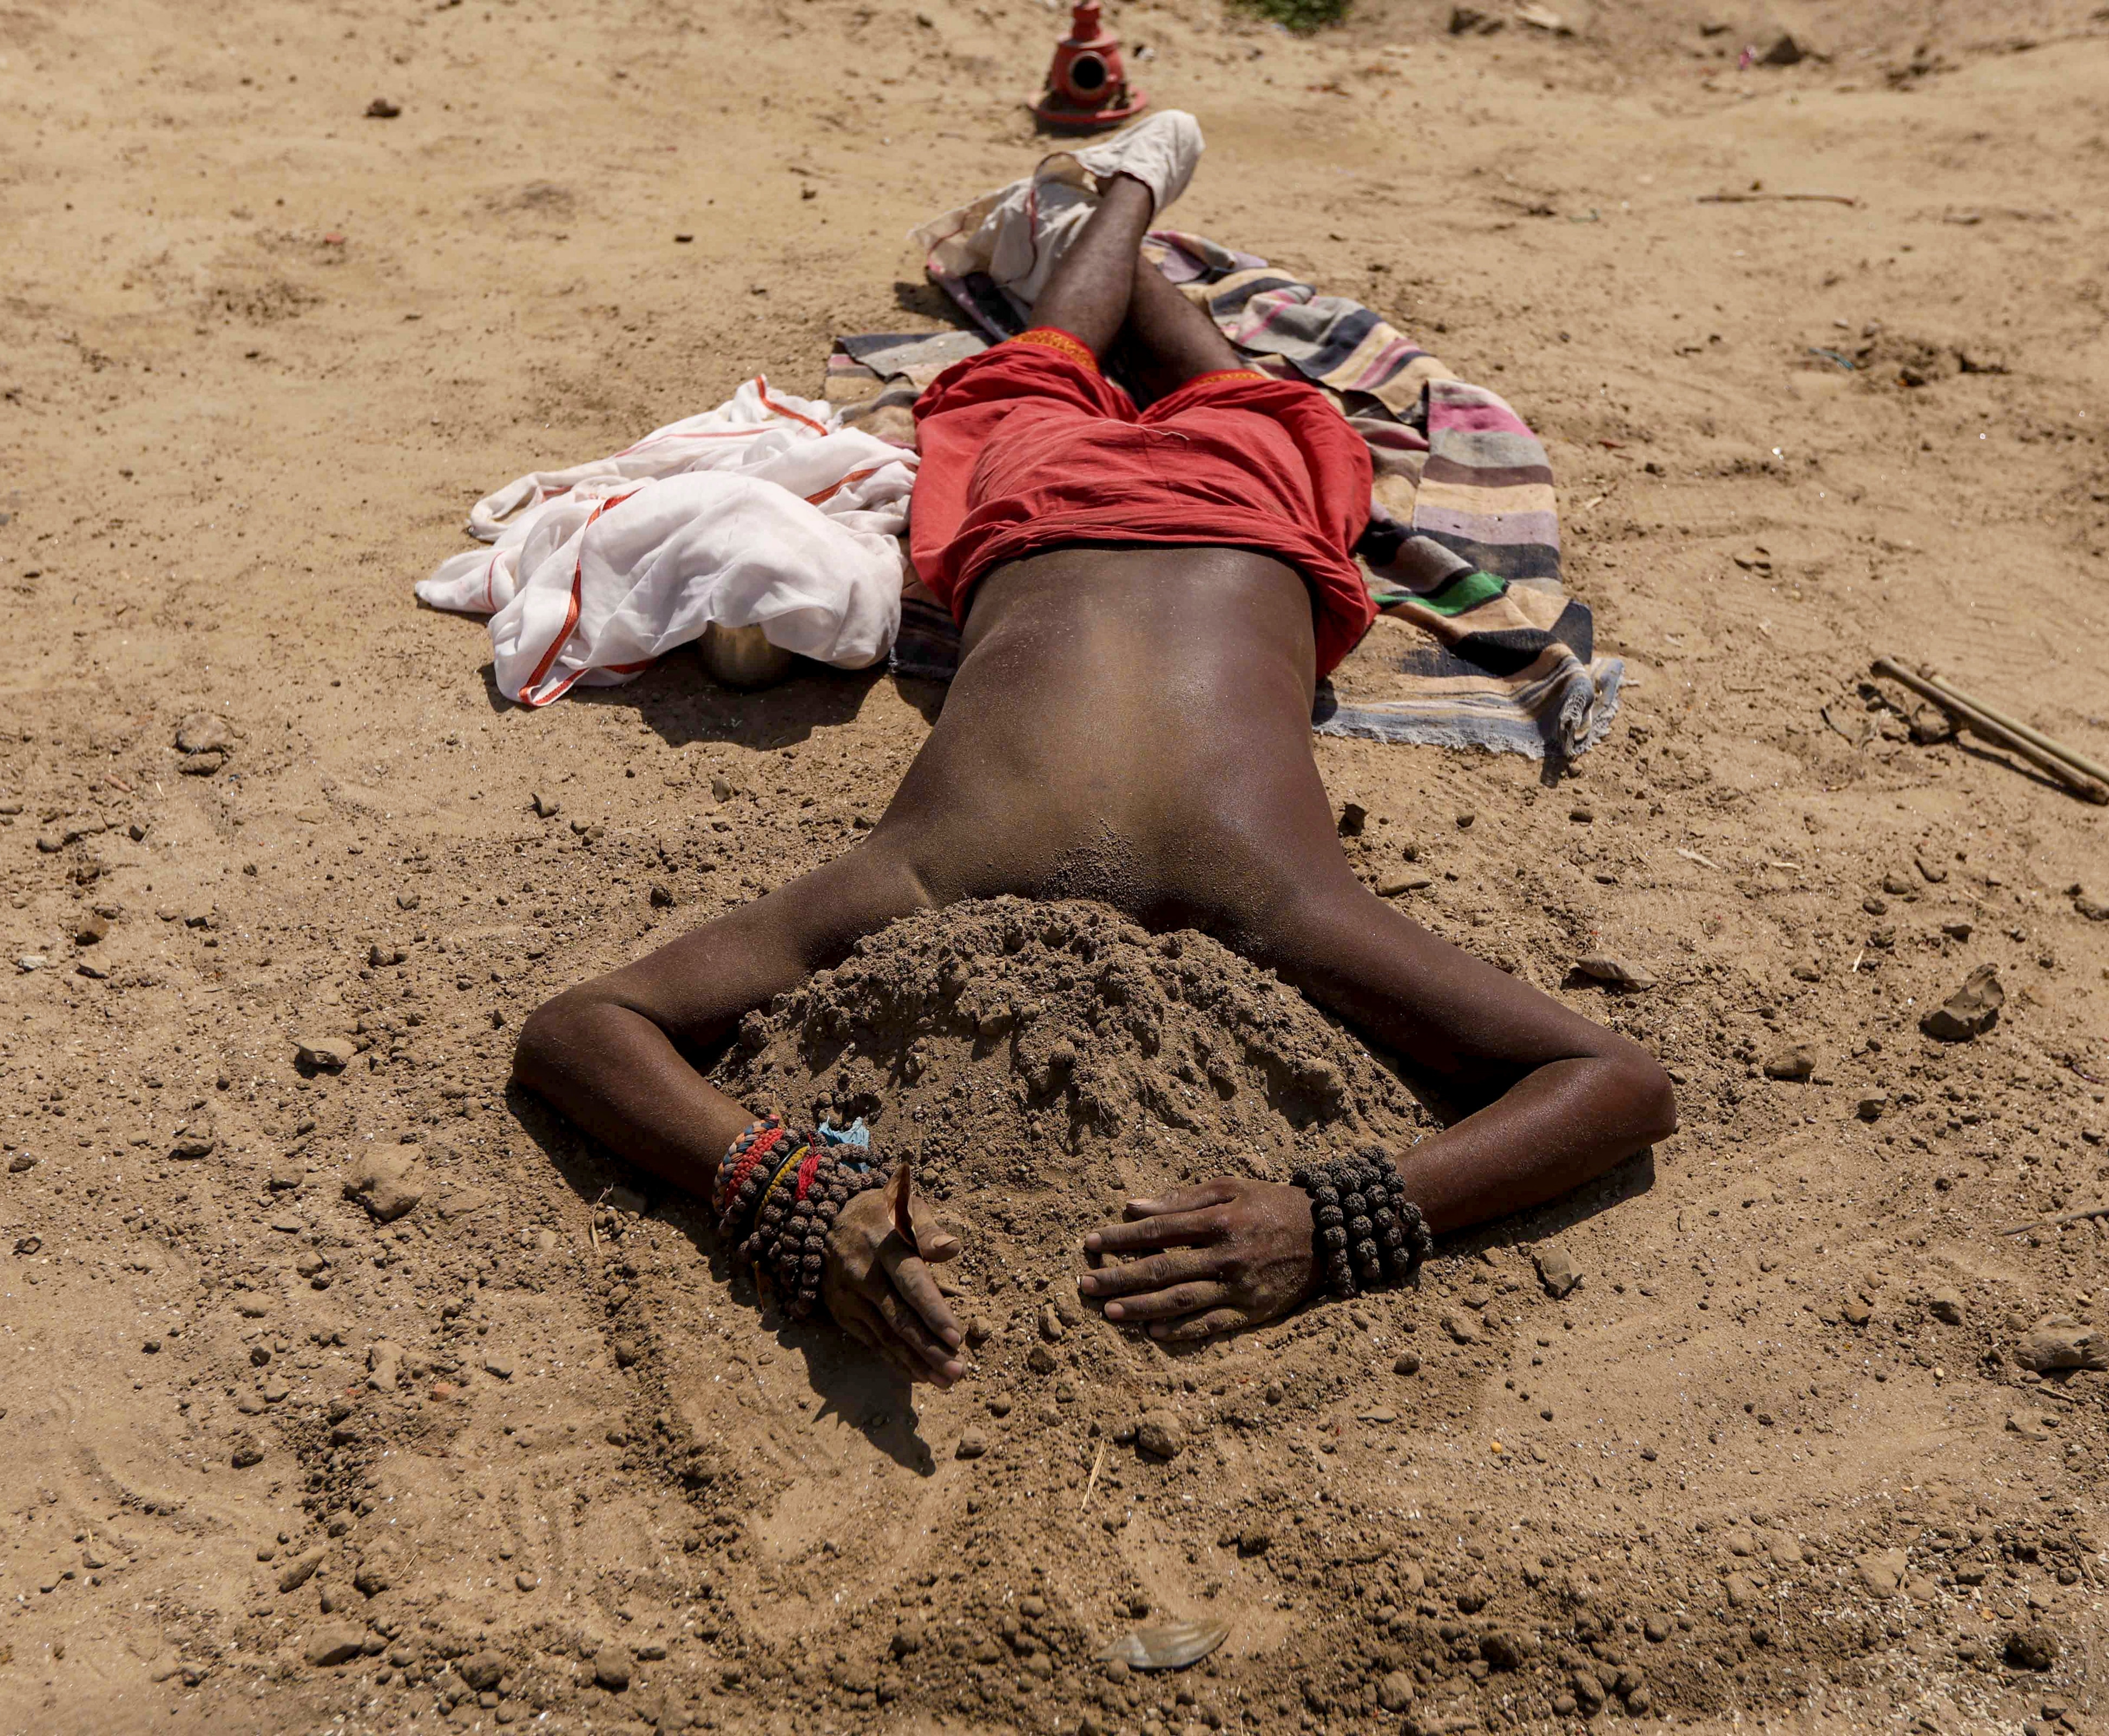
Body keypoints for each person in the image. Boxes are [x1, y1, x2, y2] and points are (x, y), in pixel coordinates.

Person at [513, 166, 1675, 1390]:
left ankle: (1121, 203)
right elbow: (1616, 1083)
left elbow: (582, 1031)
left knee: (1116, 373)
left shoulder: (1016, 886)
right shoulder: (1224, 902)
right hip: (1153, 521)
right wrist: (1336, 1220)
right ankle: (1124, 204)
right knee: (1160, 378)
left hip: (1119, 522)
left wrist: (789, 1188)